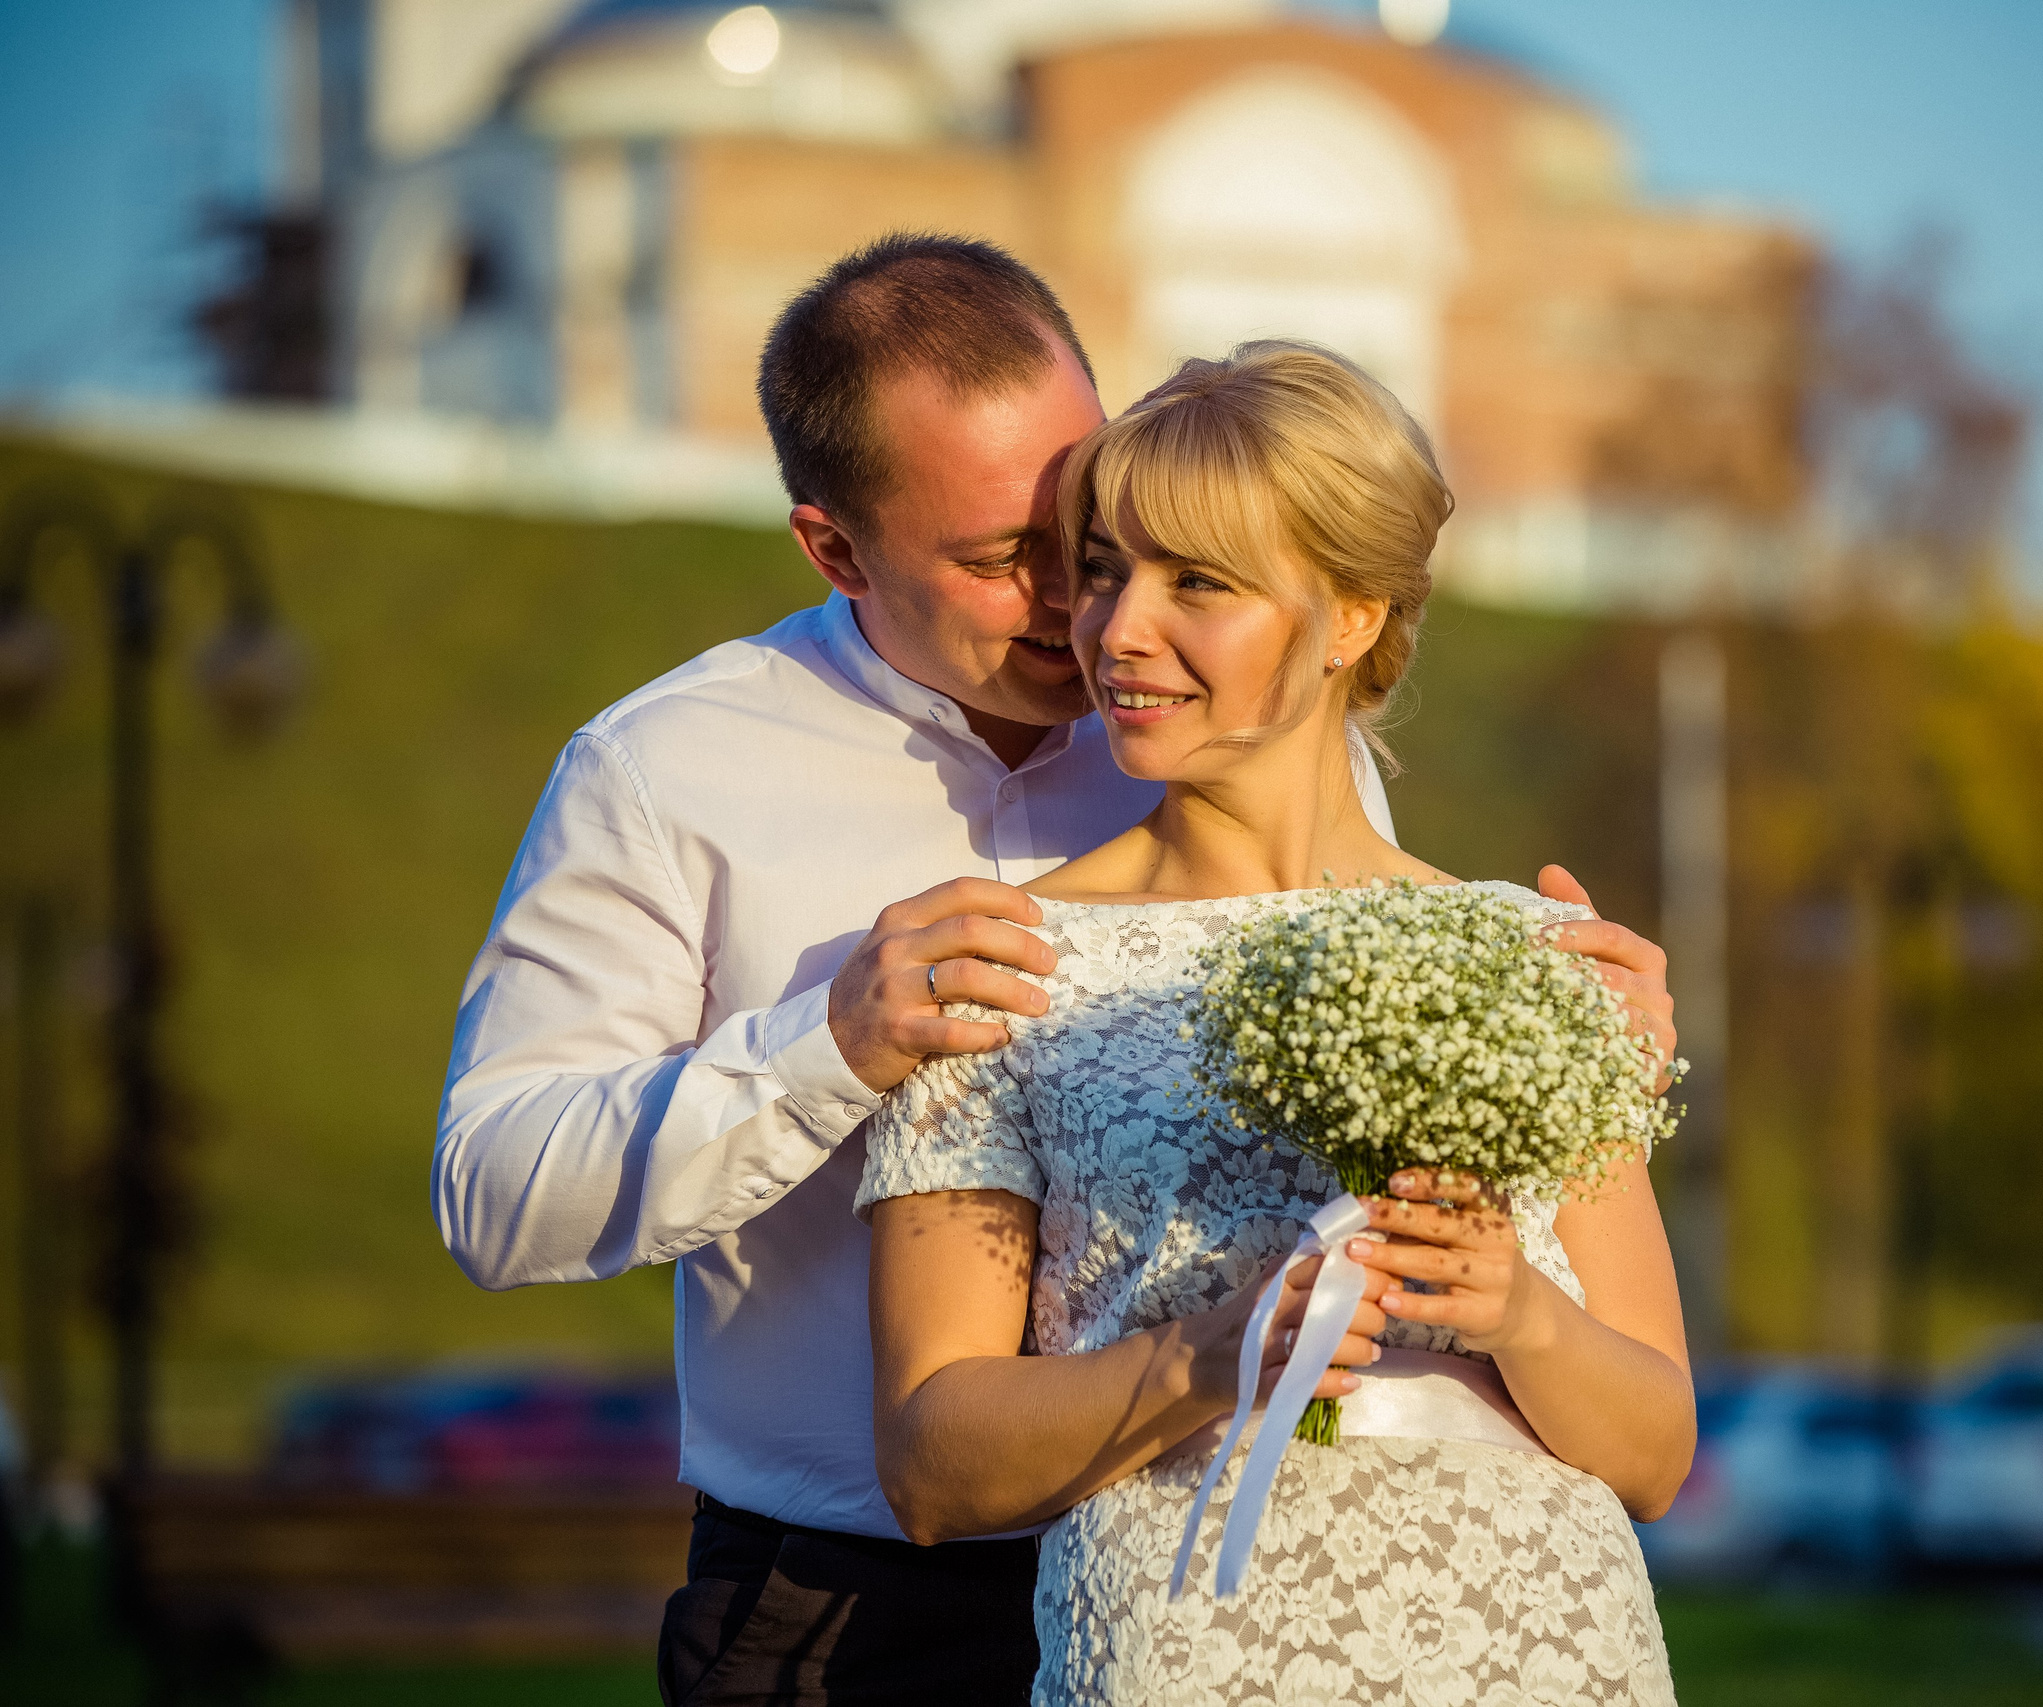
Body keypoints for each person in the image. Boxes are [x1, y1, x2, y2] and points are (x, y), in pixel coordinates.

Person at [433, 236, 1678, 1707]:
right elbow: (494, 1193)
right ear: (837, 550)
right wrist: (824, 1048)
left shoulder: (1232, 718)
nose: (1083, 613)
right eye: (1016, 561)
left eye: (1088, 528)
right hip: (858, 1605)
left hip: (1273, 1581)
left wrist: (1576, 1050)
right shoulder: (666, 771)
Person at [862, 342, 1692, 1706]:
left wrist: (1517, 1312)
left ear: (1352, 617)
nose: (1117, 628)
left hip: (1549, 1648)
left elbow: (1656, 1451)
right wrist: (1215, 1347)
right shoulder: (1003, 966)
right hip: (1188, 1642)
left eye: (1198, 581)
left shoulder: (1536, 959)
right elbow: (933, 1463)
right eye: (1110, 566)